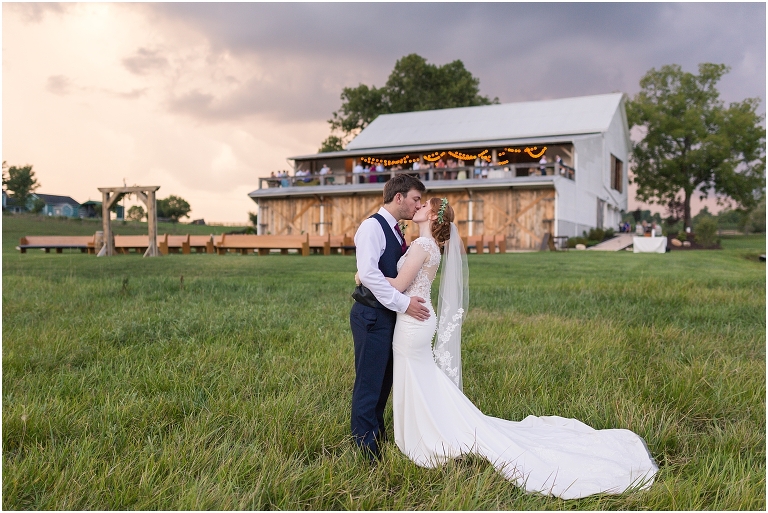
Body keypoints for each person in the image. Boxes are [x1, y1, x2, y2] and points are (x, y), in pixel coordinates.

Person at [373, 197, 659, 499]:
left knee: (417, 375)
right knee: (421, 377)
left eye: (422, 205)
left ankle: (429, 436)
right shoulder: (428, 247)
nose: (415, 207)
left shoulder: (422, 247)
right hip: (417, 319)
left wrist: (365, 275)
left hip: (413, 323)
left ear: (432, 215)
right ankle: (430, 428)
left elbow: (399, 284)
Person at [349, 174, 429, 462]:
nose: (417, 205)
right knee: (369, 383)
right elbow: (369, 274)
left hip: (387, 316)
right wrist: (403, 303)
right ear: (399, 197)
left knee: (383, 382)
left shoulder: (398, 230)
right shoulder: (372, 227)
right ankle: (365, 451)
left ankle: (377, 435)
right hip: (370, 315)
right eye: (415, 199)